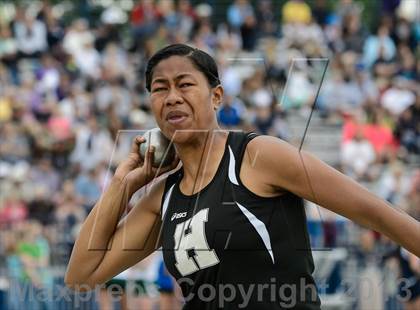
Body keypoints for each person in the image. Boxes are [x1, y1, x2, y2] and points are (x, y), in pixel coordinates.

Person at [65, 44, 420, 309]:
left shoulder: (257, 156)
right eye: (160, 88)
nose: (172, 97)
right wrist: (124, 183)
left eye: (184, 84)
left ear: (216, 96)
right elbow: (81, 277)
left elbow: (374, 211)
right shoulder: (163, 197)